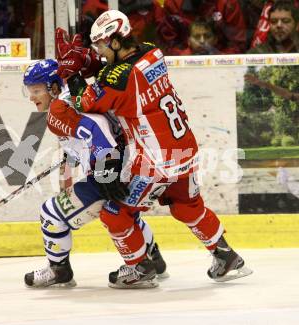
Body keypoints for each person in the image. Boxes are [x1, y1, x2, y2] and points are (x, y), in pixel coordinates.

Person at [55, 10, 253, 282]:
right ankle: (227, 256)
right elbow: (116, 74)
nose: (99, 51)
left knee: (115, 213)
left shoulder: (118, 78)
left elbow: (83, 101)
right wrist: (90, 62)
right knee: (187, 205)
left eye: (101, 44)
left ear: (115, 41)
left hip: (153, 161)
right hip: (184, 150)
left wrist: (73, 74)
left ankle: (139, 268)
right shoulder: (152, 52)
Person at [22, 58, 168, 289]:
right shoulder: (80, 94)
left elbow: (96, 129)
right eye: (29, 91)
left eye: (37, 90)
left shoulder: (58, 110)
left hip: (109, 172)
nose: (32, 97)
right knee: (125, 215)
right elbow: (94, 128)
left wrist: (105, 170)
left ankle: (59, 270)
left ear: (54, 87)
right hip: (132, 166)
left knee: (51, 214)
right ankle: (154, 260)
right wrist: (76, 155)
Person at [158, 0, 247, 54]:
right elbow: (168, 43)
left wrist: (219, 58)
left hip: (221, 59)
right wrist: (188, 58)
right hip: (185, 61)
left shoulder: (227, 3)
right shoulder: (172, 4)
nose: (202, 41)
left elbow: (237, 43)